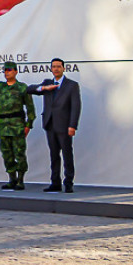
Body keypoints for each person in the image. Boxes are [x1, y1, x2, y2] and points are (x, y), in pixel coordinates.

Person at [27, 58, 82, 193]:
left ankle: (68, 182)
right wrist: (45, 88)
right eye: (54, 67)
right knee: (54, 155)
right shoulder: (47, 83)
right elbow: (29, 89)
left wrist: (72, 125)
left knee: (67, 154)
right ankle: (55, 182)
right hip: (50, 124)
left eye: (58, 66)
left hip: (64, 125)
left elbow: (76, 107)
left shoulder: (71, 85)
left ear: (63, 68)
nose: (56, 69)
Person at [0, 62, 36, 191]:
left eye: (9, 70)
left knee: (19, 153)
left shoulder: (22, 88)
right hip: (3, 126)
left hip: (17, 126)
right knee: (7, 153)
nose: (7, 73)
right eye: (5, 70)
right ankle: (12, 179)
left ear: (16, 72)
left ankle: (20, 180)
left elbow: (30, 108)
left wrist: (28, 125)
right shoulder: (0, 87)